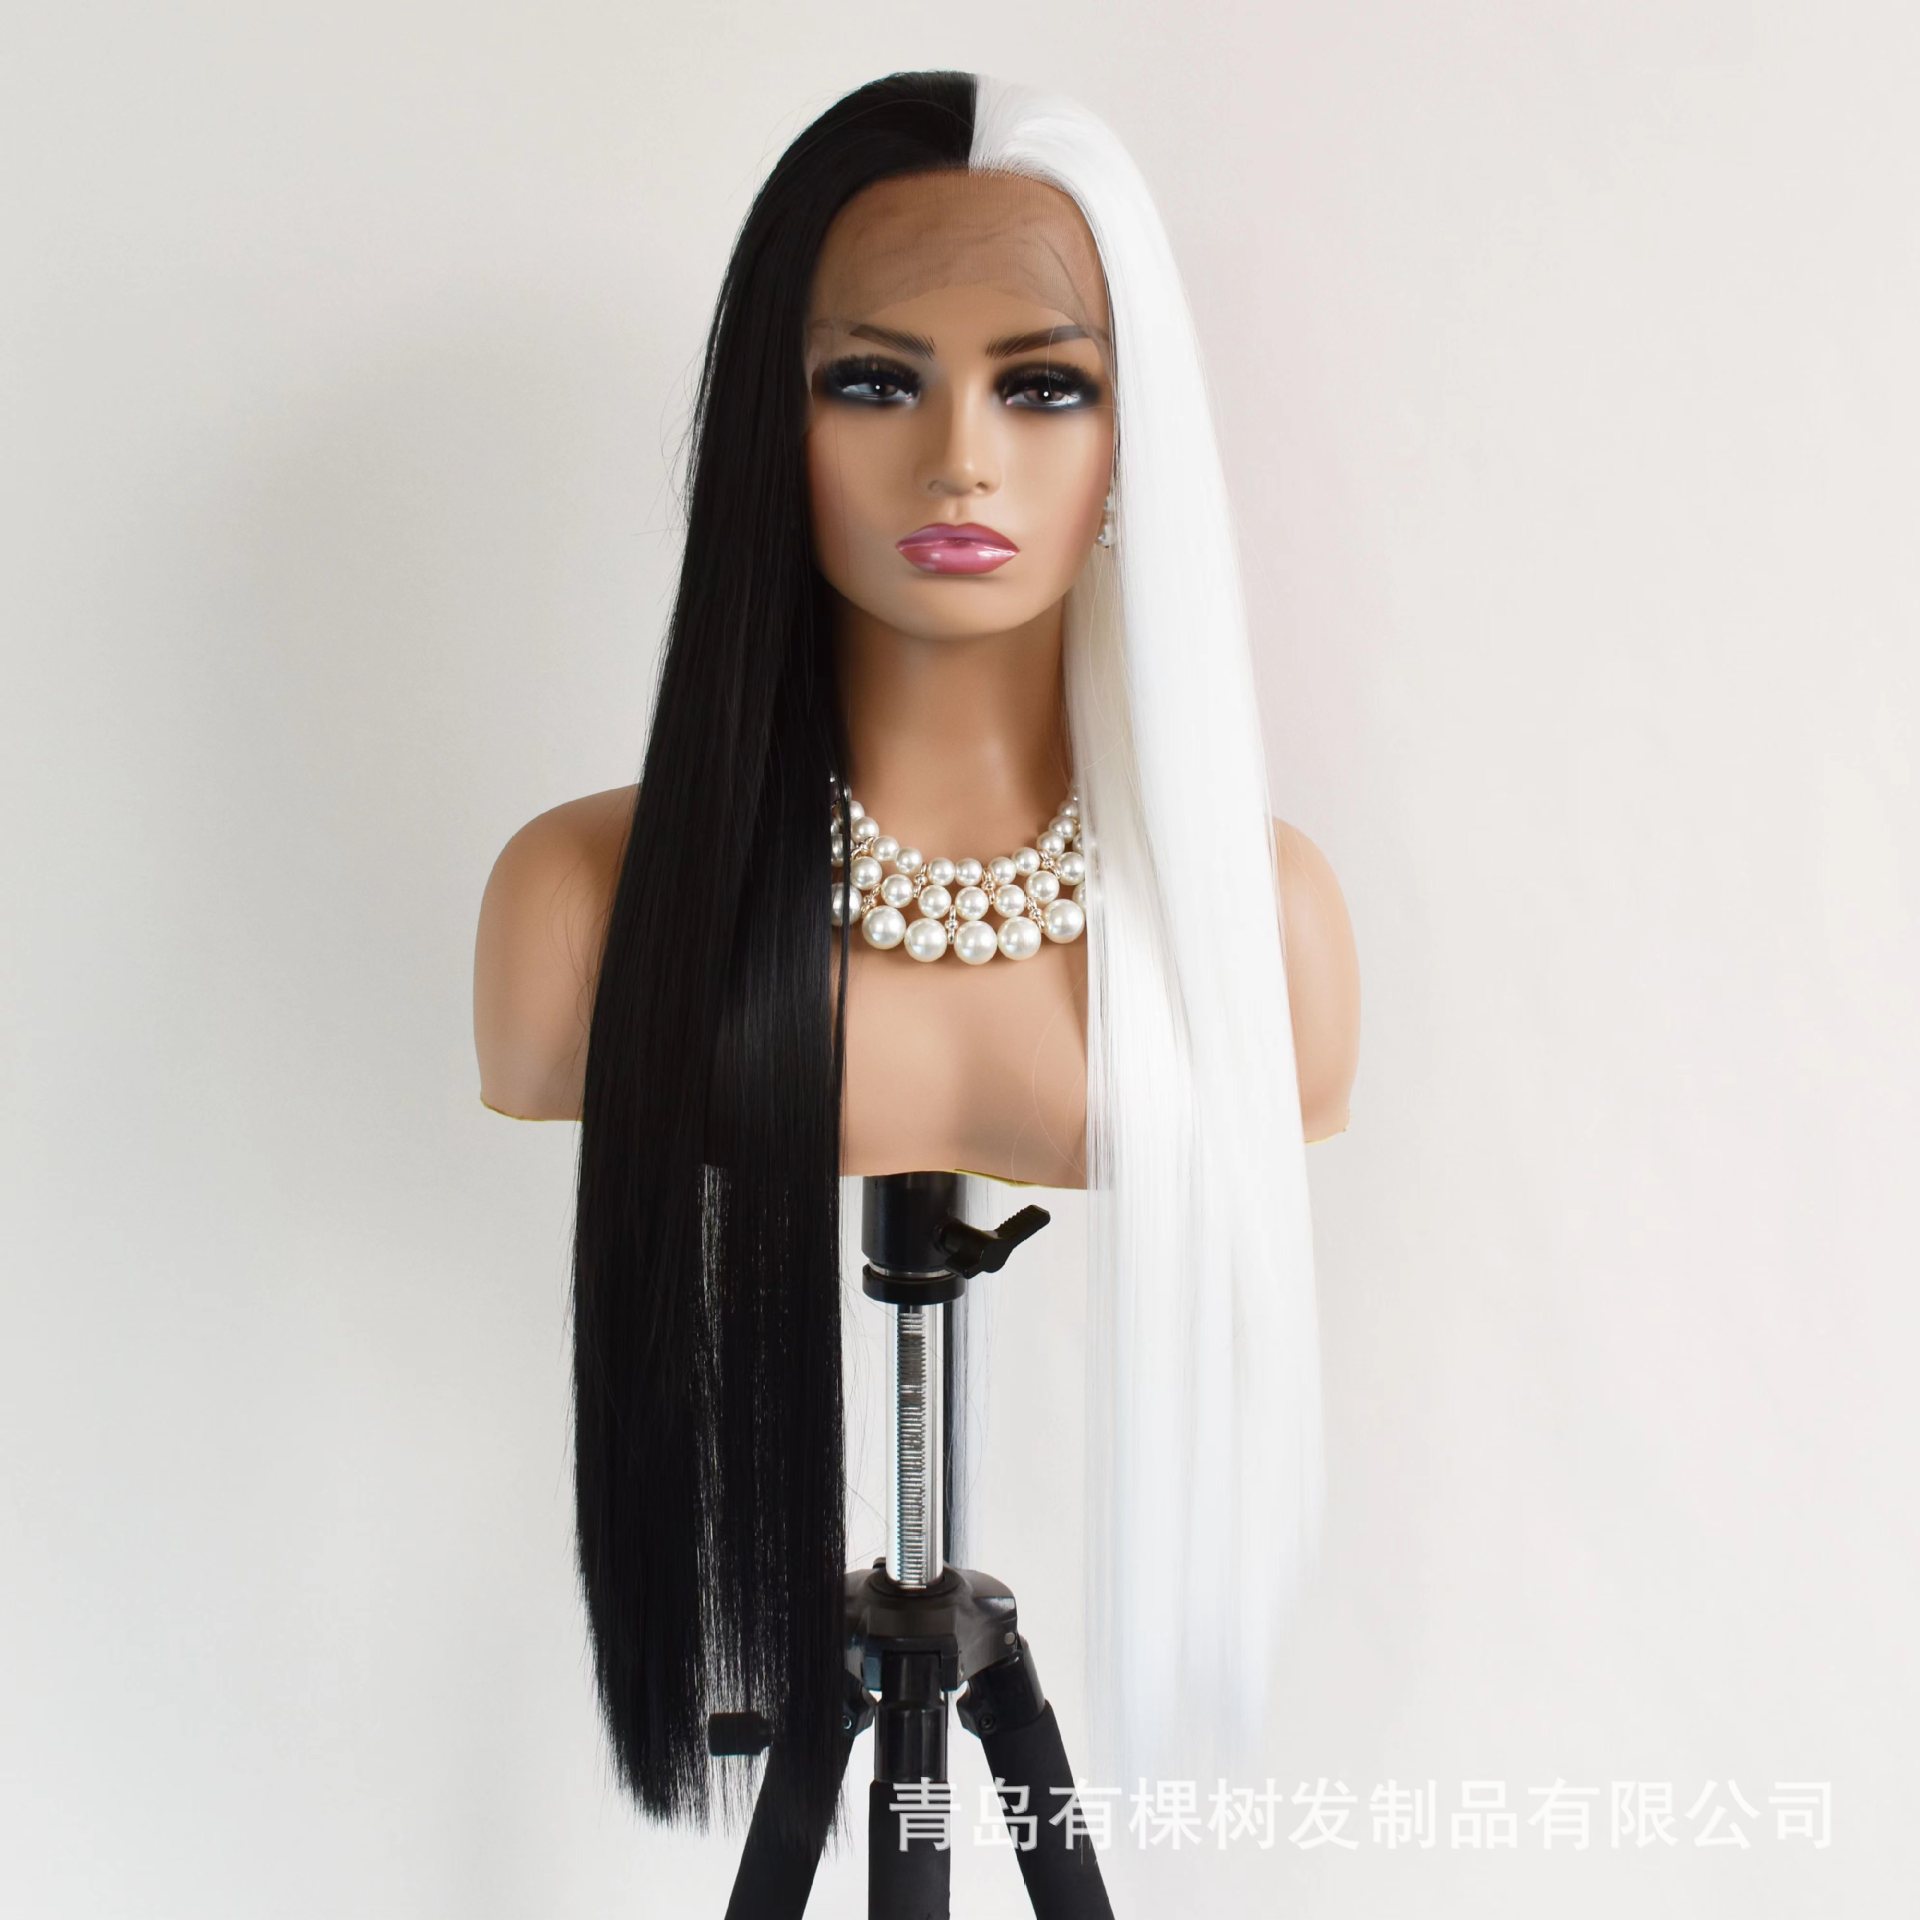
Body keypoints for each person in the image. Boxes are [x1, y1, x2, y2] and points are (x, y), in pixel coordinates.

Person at [472, 69, 1359, 1852]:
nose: (962, 456)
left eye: (1044, 386)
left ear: (1133, 442)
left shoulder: (1262, 929)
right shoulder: (583, 909)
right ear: (770, 430)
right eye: (875, 382)